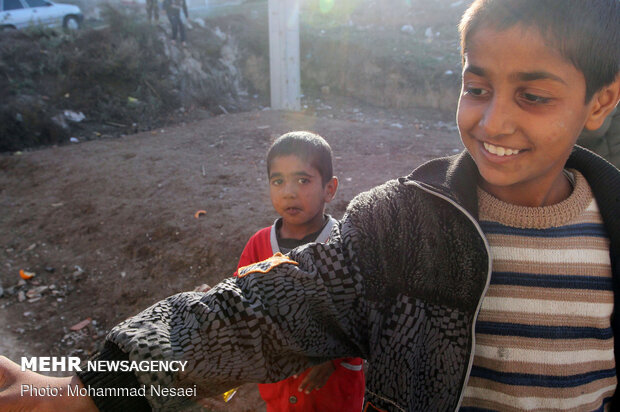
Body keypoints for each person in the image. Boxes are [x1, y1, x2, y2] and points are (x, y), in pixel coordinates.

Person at [1, 0, 619, 411]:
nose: (492, 120)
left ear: (599, 102)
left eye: (533, 95)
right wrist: (86, 388)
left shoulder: (611, 228)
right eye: (476, 87)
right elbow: (254, 314)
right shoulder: (402, 227)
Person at [234, 131, 365, 411]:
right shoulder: (259, 245)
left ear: (329, 189)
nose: (288, 192)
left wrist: (333, 356)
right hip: (279, 394)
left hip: (335, 396)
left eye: (302, 180)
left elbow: (365, 315)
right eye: (278, 181)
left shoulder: (344, 244)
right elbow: (242, 301)